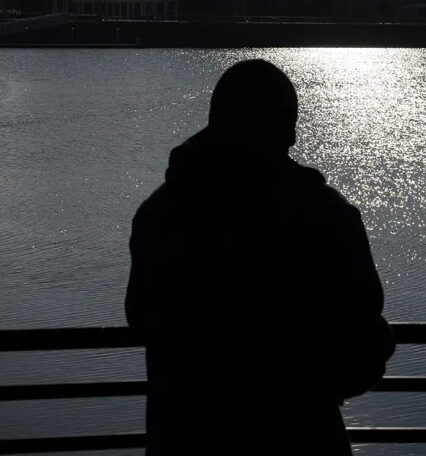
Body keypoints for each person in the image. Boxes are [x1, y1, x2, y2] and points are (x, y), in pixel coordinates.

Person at [126, 59, 394, 455]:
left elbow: (140, 319)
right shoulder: (326, 216)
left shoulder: (159, 214)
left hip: (183, 439)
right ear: (288, 129)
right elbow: (363, 348)